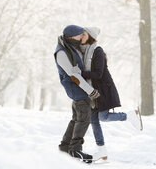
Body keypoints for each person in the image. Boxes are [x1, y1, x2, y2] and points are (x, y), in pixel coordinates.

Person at [79, 27, 142, 161]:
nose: (81, 37)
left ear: (90, 36)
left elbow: (98, 73)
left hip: (103, 90)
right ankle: (101, 150)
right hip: (93, 91)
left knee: (104, 117)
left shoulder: (98, 51)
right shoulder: (84, 52)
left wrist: (79, 74)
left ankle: (129, 116)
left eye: (83, 34)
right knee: (94, 120)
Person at [53, 25, 100, 164]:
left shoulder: (70, 47)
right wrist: (90, 90)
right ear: (72, 36)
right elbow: (73, 75)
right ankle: (75, 150)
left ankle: (65, 147)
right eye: (80, 35)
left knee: (76, 118)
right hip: (76, 87)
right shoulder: (61, 52)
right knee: (84, 118)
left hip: (78, 87)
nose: (81, 37)